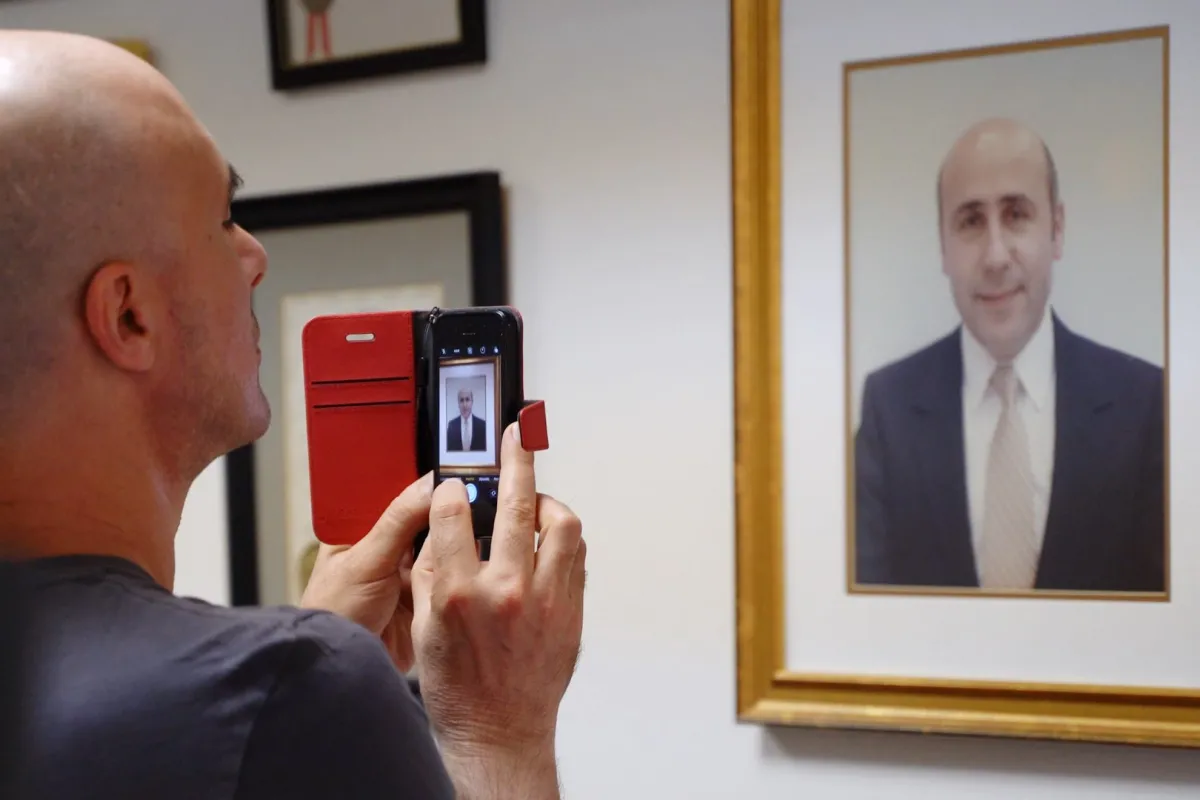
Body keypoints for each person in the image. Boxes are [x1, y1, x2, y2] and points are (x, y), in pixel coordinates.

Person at [0, 30, 586, 800]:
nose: (255, 255)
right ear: (129, 315)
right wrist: (498, 731)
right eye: (221, 218)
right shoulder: (293, 691)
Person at [853, 117, 1164, 594]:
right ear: (942, 245)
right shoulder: (887, 410)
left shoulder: (1146, 406)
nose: (996, 256)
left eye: (1017, 214)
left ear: (1057, 230)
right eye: (971, 221)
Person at [447, 387, 488, 452]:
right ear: (458, 403)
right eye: (461, 400)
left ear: (472, 402)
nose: (464, 404)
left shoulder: (482, 425)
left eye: (467, 399)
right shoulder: (452, 425)